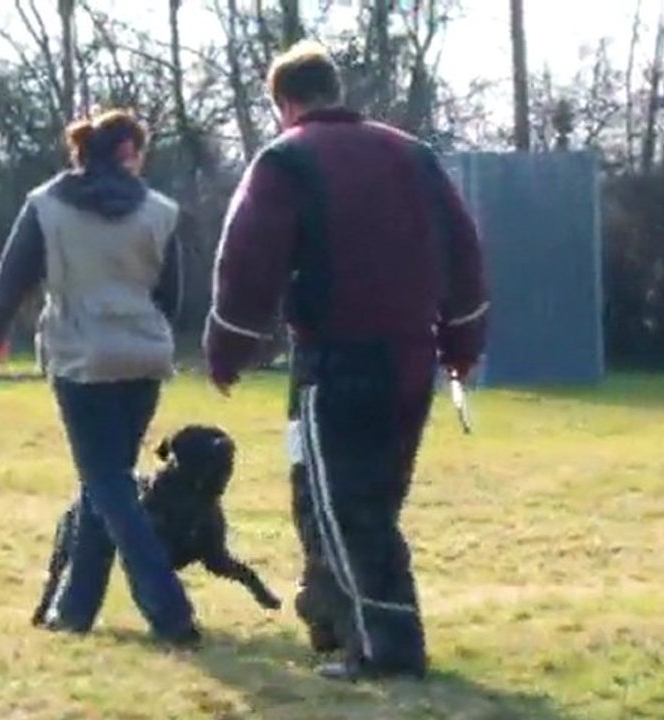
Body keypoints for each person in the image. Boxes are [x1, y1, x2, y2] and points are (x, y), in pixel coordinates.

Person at [203, 41, 488, 680]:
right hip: (413, 356)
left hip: (334, 358)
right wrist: (463, 344)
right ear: (336, 90)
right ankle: (332, 620)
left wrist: (227, 349)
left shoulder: (286, 160)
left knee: (339, 505)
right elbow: (464, 251)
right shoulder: (414, 155)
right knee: (367, 500)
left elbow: (246, 263)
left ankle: (389, 645)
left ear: (285, 103)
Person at [0, 108, 199, 647]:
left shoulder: (46, 205)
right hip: (144, 356)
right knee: (106, 481)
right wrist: (149, 333)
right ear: (129, 153)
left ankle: (169, 611)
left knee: (108, 484)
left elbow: (15, 272)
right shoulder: (161, 211)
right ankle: (74, 610)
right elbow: (173, 293)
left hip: (80, 355)